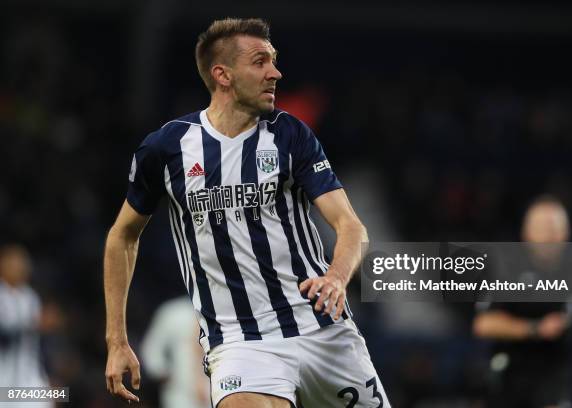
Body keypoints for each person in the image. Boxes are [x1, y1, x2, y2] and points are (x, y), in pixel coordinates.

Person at [104, 17, 390, 408]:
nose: (276, 72)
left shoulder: (290, 134)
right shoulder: (167, 148)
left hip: (324, 330)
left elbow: (351, 226)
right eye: (260, 62)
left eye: (273, 60)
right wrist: (117, 340)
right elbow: (122, 237)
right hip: (241, 342)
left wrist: (337, 278)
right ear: (223, 74)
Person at [473, 195, 572, 408]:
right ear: (526, 234)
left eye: (556, 229)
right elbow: (483, 324)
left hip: (554, 369)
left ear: (566, 232)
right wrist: (535, 328)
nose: (551, 236)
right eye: (544, 228)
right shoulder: (507, 268)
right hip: (510, 367)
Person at [0, 244, 52, 408]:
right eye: (14, 264)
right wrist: (32, 325)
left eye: (23, 264)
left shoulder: (31, 297)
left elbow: (35, 344)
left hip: (28, 376)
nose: (20, 268)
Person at [141, 296, 211, 408]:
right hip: (180, 393)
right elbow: (152, 349)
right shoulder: (173, 312)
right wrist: (164, 374)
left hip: (218, 390)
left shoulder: (228, 313)